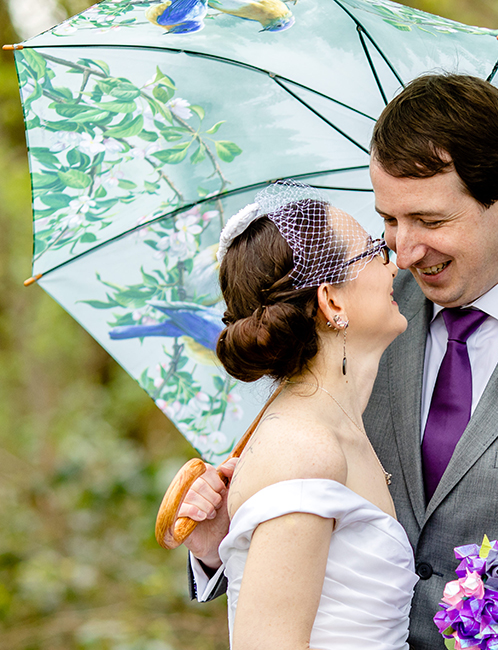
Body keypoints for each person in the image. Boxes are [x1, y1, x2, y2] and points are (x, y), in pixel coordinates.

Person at [182, 75, 498, 650]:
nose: (403, 251)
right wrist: (220, 544)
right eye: (389, 220)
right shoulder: (358, 324)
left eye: (431, 220)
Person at [183, 180, 417, 650]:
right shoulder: (303, 449)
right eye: (373, 250)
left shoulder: (335, 432)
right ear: (332, 301)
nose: (394, 264)